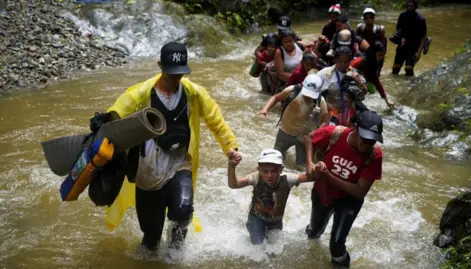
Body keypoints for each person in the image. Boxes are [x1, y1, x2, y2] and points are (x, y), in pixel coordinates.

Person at [104, 42, 241, 254]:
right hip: (148, 169)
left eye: (180, 73)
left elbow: (216, 121)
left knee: (183, 211)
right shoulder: (141, 94)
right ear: (159, 66)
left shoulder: (193, 93)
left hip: (180, 163)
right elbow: (115, 114)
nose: (177, 78)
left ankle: (176, 254)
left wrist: (230, 147)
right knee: (151, 238)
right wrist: (102, 122)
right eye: (171, 73)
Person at [304, 110, 384, 268]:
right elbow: (309, 138)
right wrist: (309, 165)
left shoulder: (374, 156)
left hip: (348, 201)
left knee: (336, 245)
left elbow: (360, 191)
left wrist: (328, 175)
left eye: (373, 141)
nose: (368, 144)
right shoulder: (334, 134)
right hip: (323, 192)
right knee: (314, 232)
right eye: (365, 138)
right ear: (354, 128)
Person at [227, 149, 319, 244]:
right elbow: (234, 185)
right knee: (258, 245)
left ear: (281, 169)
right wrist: (231, 166)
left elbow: (312, 177)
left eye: (274, 171)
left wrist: (317, 167)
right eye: (265, 171)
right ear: (259, 170)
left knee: (275, 250)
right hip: (256, 218)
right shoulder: (256, 177)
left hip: (276, 221)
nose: (269, 175)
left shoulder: (288, 179)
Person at [257, 74, 330, 169]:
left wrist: (316, 133)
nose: (308, 97)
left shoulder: (321, 101)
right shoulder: (293, 91)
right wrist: (265, 109)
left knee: (301, 166)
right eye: (307, 94)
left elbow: (325, 121)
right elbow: (276, 98)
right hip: (286, 131)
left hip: (305, 137)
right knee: (276, 158)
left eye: (312, 95)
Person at [316, 47, 368, 125]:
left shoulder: (355, 74)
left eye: (346, 62)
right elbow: (313, 90)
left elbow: (364, 92)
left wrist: (359, 81)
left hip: (348, 113)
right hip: (330, 112)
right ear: (335, 60)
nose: (343, 64)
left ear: (350, 61)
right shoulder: (325, 73)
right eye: (340, 61)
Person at [350, 41, 395, 108]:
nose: (382, 58)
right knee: (363, 86)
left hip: (359, 80)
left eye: (383, 55)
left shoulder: (373, 63)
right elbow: (348, 68)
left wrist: (387, 100)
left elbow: (377, 82)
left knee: (372, 89)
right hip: (350, 79)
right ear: (373, 53)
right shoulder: (360, 61)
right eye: (380, 55)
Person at [391, 0, 427, 76]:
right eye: (408, 6)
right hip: (403, 44)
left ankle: (410, 84)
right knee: (395, 69)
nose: (409, 8)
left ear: (415, 7)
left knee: (408, 69)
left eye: (411, 6)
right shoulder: (402, 16)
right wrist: (399, 39)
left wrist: (419, 52)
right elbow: (398, 30)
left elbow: (423, 36)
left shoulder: (420, 19)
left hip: (414, 46)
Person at [356, 8, 386, 74]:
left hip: (376, 55)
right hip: (362, 54)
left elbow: (383, 46)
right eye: (366, 17)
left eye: (371, 17)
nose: (369, 19)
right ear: (363, 19)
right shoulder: (360, 28)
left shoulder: (380, 29)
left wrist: (379, 60)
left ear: (374, 18)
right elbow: (356, 43)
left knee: (375, 75)